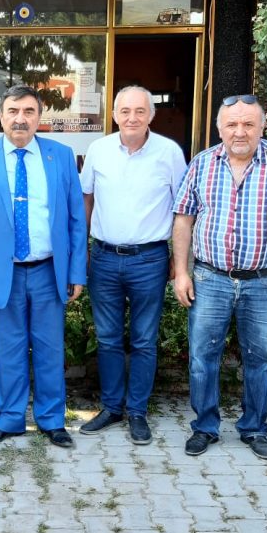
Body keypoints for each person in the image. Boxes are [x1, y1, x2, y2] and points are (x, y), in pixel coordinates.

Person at [172, 94, 267, 460]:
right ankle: (204, 427)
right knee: (202, 357)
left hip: (264, 282)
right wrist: (181, 272)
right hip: (210, 279)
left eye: (249, 124)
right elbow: (184, 218)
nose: (240, 131)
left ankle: (254, 428)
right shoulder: (202, 163)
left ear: (263, 127)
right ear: (219, 128)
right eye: (232, 124)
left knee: (260, 359)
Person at [0, 85, 87, 449]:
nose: (20, 119)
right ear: (0, 116)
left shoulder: (60, 156)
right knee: (9, 349)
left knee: (50, 349)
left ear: (39, 117)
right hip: (2, 273)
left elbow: (76, 219)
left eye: (29, 111)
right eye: (13, 111)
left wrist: (76, 272)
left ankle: (52, 420)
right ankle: (10, 418)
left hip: (48, 270)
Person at [79, 86, 187, 445]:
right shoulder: (99, 150)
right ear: (114, 115)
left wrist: (179, 260)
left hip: (149, 259)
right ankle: (112, 408)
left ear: (151, 116)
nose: (132, 118)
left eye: (140, 111)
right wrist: (82, 251)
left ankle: (137, 411)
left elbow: (183, 210)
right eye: (125, 111)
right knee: (107, 338)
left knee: (144, 340)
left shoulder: (170, 153)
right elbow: (86, 200)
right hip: (104, 257)